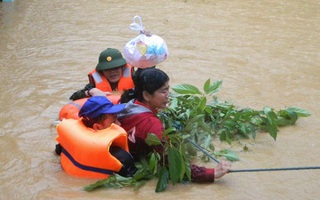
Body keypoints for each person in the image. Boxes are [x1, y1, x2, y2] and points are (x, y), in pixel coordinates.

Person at [118, 68, 231, 182]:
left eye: (168, 89)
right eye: (163, 91)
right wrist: (211, 173)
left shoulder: (127, 104)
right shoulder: (152, 125)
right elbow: (173, 164)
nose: (168, 95)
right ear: (147, 96)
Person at [55, 96, 137, 178]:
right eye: (114, 121)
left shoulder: (69, 138)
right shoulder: (121, 157)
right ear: (97, 127)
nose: (119, 124)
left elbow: (57, 151)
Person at [69, 48, 135, 101]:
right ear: (102, 71)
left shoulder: (135, 78)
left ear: (122, 68)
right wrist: (90, 91)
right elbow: (73, 97)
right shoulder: (93, 85)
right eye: (107, 69)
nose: (112, 72)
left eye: (115, 68)